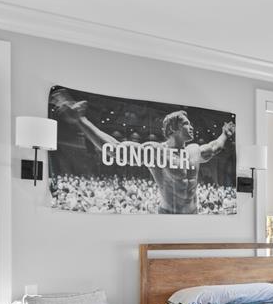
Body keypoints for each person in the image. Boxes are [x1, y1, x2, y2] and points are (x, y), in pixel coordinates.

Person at [52, 89, 234, 214]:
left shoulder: (193, 151)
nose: (192, 127)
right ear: (173, 128)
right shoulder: (156, 152)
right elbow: (114, 149)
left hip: (194, 215)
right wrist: (81, 120)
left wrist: (225, 134)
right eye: (187, 124)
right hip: (168, 215)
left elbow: (215, 147)